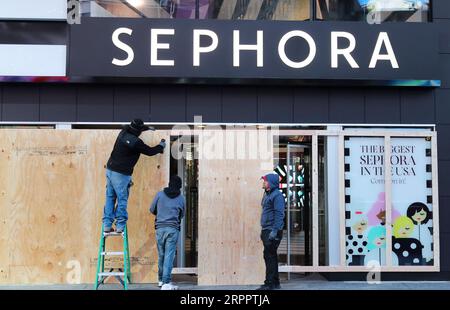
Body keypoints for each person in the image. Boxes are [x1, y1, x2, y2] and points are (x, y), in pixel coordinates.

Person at [102, 119, 166, 234]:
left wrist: (145, 128)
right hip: (121, 174)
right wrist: (161, 146)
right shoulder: (136, 143)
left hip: (110, 169)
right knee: (122, 199)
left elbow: (130, 128)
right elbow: (150, 151)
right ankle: (120, 225)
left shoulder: (123, 133)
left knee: (110, 197)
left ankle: (107, 225)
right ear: (138, 132)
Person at [150, 175, 185, 290]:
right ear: (179, 186)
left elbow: (152, 209)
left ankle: (161, 280)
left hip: (160, 228)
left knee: (161, 255)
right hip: (172, 229)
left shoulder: (160, 195)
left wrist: (161, 214)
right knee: (169, 256)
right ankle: (166, 281)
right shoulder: (181, 198)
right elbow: (182, 215)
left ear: (169, 184)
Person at [257, 173, 285, 290]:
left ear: (271, 183)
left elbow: (279, 214)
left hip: (272, 231)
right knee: (270, 256)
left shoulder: (277, 196)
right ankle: (275, 283)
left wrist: (274, 231)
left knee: (269, 256)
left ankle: (269, 284)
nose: (263, 182)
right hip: (267, 230)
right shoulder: (268, 194)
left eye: (265, 181)